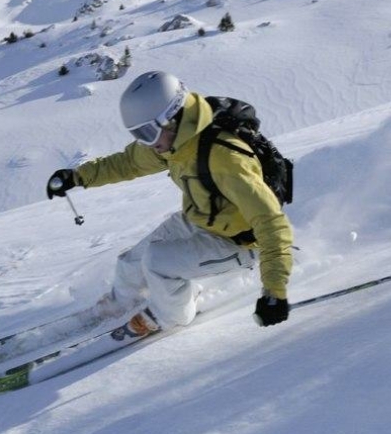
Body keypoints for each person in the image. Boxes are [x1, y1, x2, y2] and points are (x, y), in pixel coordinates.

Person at [46, 70, 294, 336]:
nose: (146, 143)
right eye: (138, 134)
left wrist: (274, 294)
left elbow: (271, 223)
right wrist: (77, 177)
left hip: (238, 241)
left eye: (148, 132)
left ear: (172, 119)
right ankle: (118, 305)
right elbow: (129, 162)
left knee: (157, 263)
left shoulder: (226, 159)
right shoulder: (174, 142)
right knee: (131, 263)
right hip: (202, 218)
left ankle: (171, 316)